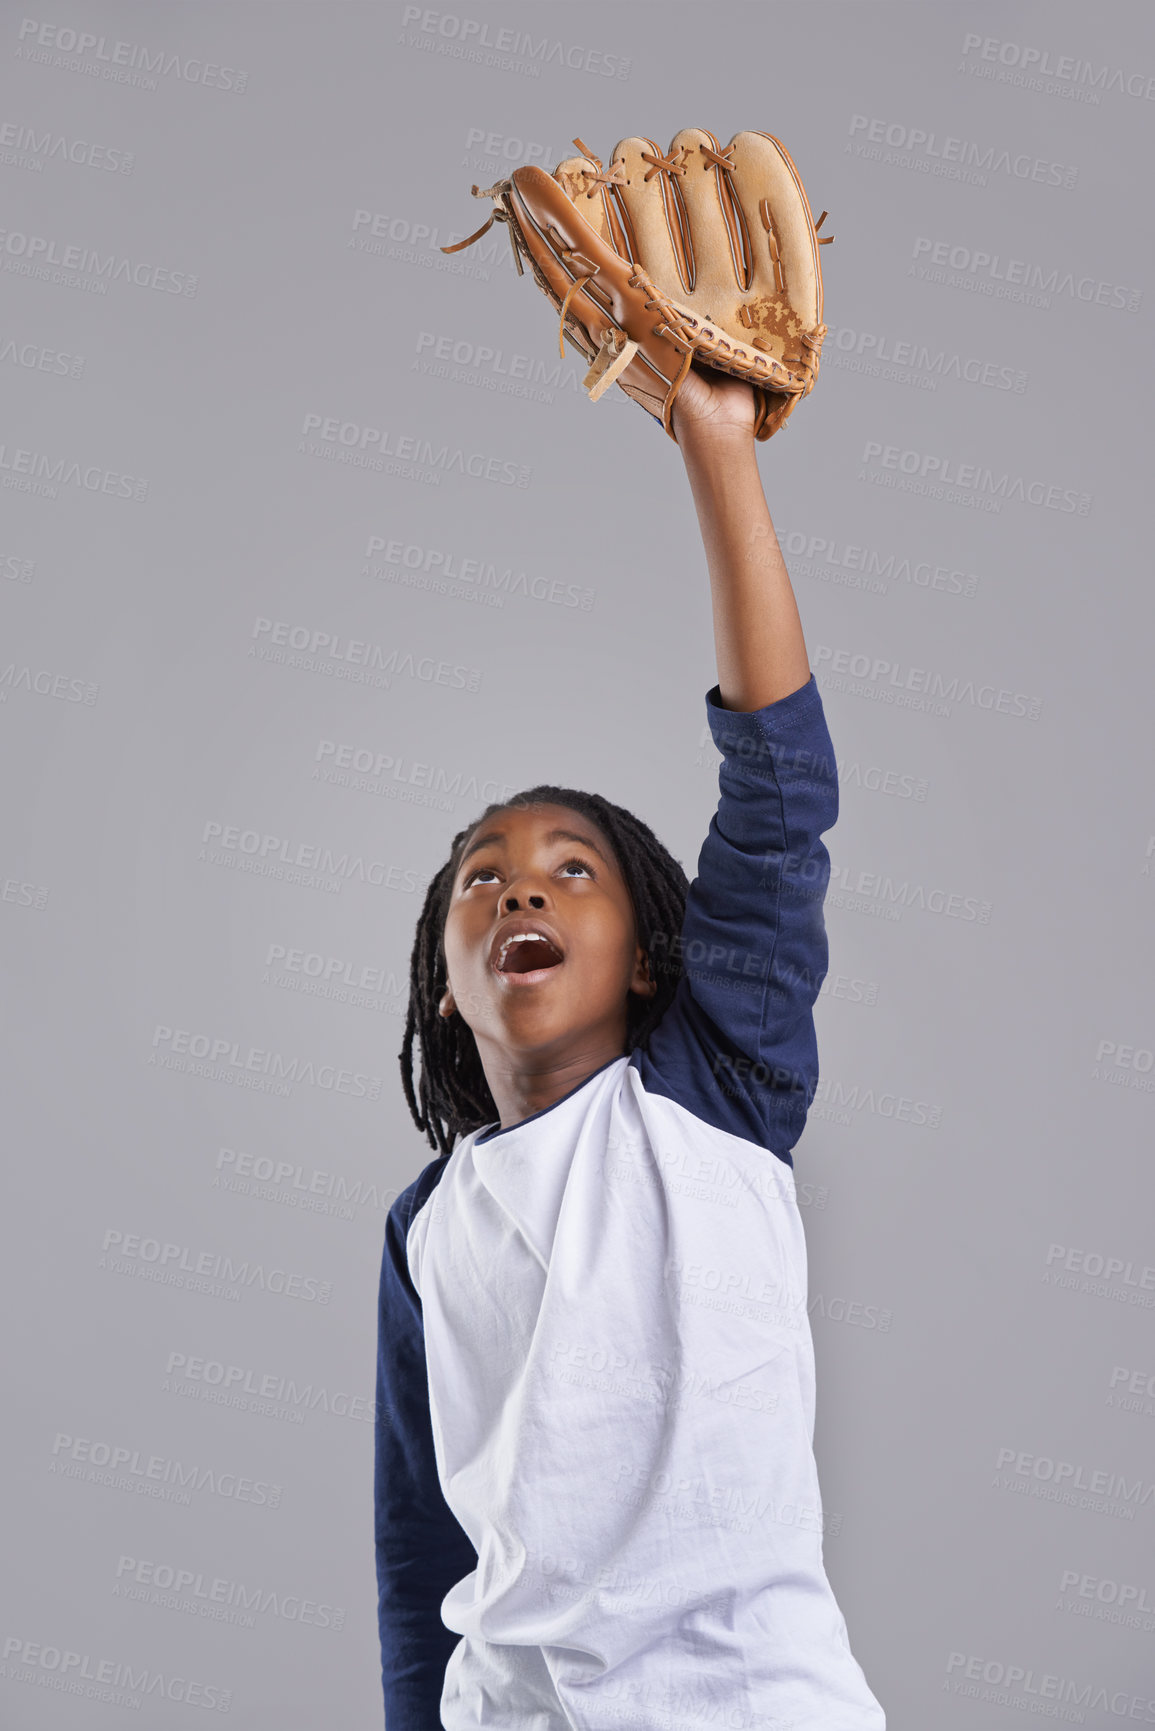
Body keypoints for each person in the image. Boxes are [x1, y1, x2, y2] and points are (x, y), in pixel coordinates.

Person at [375, 365, 887, 1728]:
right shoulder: (427, 1228)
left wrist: (720, 451)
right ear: (443, 983)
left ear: (652, 956)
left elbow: (781, 799)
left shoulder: (715, 1089)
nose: (521, 891)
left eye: (570, 872)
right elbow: (424, 1556)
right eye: (482, 880)